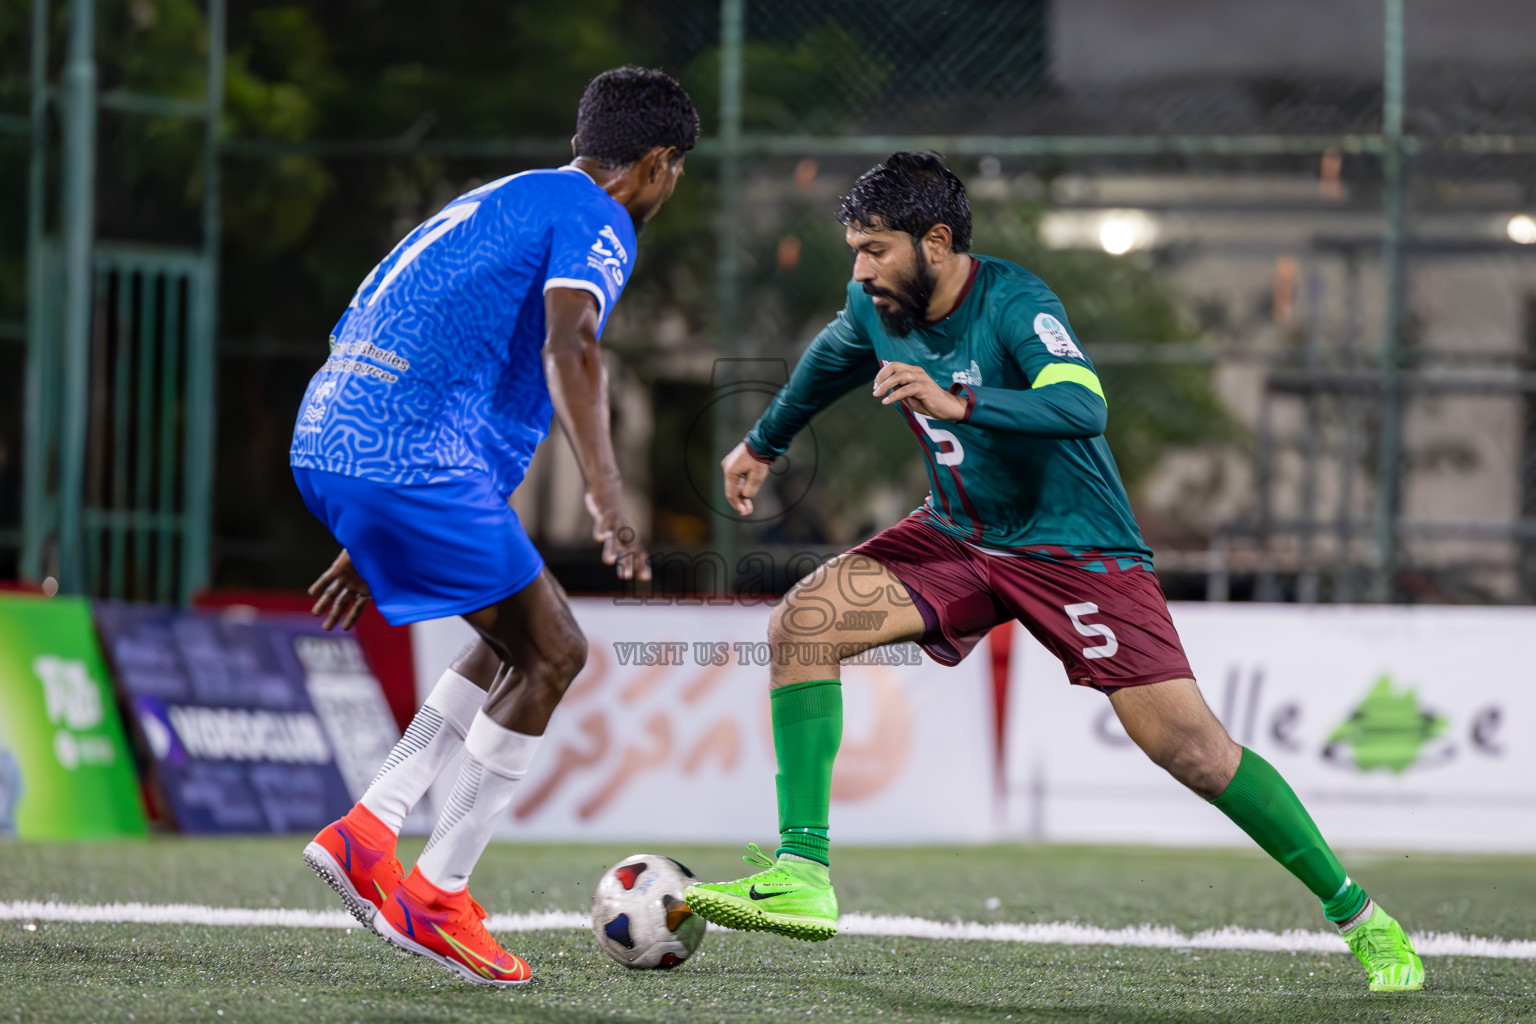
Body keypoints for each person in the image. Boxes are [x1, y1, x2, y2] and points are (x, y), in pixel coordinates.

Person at [684, 151, 1424, 993]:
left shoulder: (1016, 301)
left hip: (1075, 550)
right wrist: (762, 444)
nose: (861, 269)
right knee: (804, 623)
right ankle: (803, 871)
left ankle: (1360, 916)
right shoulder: (875, 303)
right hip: (961, 536)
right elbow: (834, 351)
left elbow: (1084, 405)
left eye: (876, 249)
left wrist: (961, 402)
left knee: (1194, 753)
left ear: (937, 241)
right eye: (856, 248)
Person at [287, 66, 697, 987]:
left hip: (337, 437)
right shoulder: (599, 215)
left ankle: (369, 826)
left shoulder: (503, 196)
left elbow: (422, 322)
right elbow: (571, 342)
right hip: (404, 460)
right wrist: (604, 490)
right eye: (674, 176)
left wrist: (366, 516)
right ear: (658, 164)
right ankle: (437, 895)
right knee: (555, 651)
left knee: (508, 635)